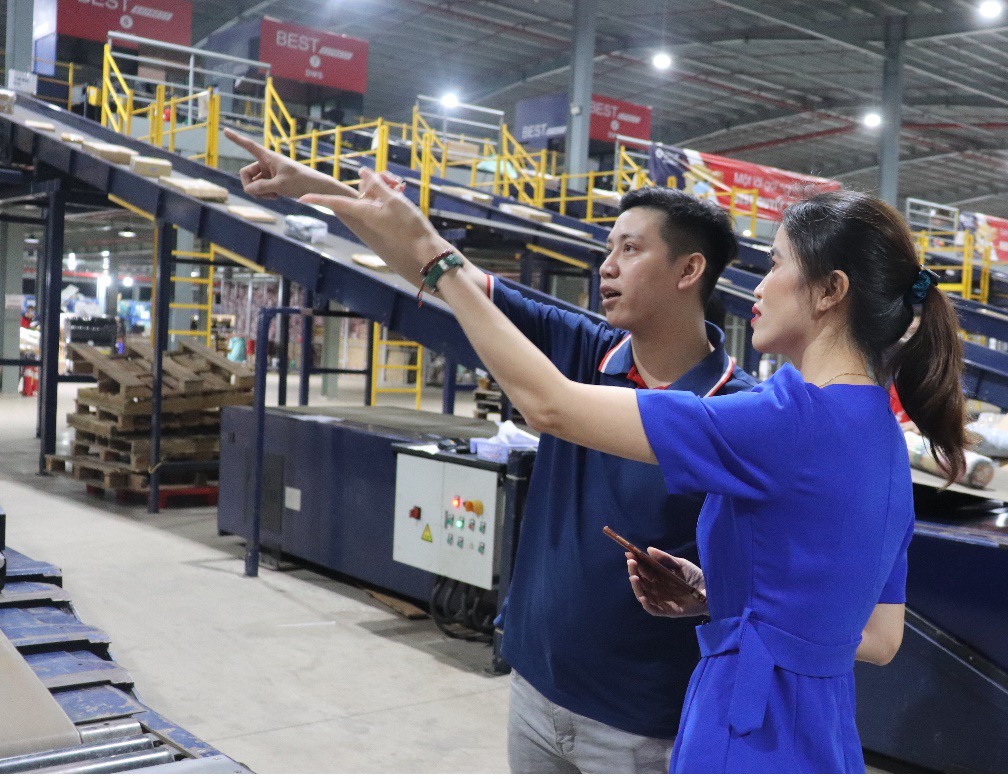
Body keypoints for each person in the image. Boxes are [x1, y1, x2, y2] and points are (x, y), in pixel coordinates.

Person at [299, 172, 966, 772]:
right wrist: (720, 595)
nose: (759, 287)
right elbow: (880, 638)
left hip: (745, 736)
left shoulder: (784, 418)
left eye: (776, 264)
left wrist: (439, 259)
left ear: (830, 291)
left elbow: (550, 406)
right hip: (820, 743)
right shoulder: (882, 439)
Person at [223, 128, 755, 773]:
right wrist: (312, 187)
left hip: (645, 722)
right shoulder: (584, 348)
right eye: (608, 248)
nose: (606, 266)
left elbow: (760, 577)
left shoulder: (738, 414)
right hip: (534, 687)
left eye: (631, 249)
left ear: (689, 270)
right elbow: (441, 269)